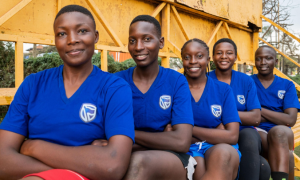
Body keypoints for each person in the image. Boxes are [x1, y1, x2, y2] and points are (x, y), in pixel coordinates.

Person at [0, 5, 135, 180]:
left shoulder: (114, 88)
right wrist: (73, 168)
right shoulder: (33, 84)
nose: (72, 39)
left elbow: (112, 167)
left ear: (95, 37)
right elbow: (2, 161)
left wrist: (34, 147)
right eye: (62, 34)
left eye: (82, 31)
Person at [115, 15, 196, 180]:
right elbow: (104, 136)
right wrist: (163, 138)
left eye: (146, 39)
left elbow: (181, 142)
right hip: (126, 154)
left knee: (138, 163)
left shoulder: (176, 81)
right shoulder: (116, 81)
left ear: (161, 42)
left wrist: (127, 134)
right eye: (132, 40)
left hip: (173, 158)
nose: (138, 47)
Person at [209, 38, 271, 180]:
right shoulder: (205, 79)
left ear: (235, 57)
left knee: (249, 137)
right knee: (262, 167)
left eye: (229, 53)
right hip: (215, 131)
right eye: (219, 53)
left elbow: (255, 118)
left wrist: (225, 114)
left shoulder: (245, 81)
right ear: (213, 57)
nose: (224, 56)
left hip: (243, 131)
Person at [180, 38, 240, 180]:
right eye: (187, 57)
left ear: (208, 59)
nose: (193, 61)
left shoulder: (223, 90)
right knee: (198, 165)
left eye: (199, 56)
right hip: (187, 147)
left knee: (222, 154)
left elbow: (232, 136)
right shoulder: (174, 88)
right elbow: (168, 131)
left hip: (218, 146)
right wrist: (215, 132)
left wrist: (187, 129)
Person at [252, 45, 300, 180]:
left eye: (268, 58)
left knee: (277, 133)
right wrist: (279, 117)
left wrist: (259, 111)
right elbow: (249, 117)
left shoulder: (287, 85)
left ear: (276, 61)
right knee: (286, 154)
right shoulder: (248, 82)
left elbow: (290, 120)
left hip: (282, 133)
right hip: (257, 129)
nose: (263, 63)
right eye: (259, 59)